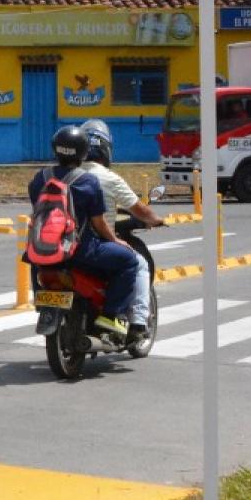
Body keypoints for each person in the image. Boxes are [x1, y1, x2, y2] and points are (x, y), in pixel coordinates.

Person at [29, 126, 145, 336]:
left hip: (45, 247)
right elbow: (99, 223)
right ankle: (111, 316)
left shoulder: (40, 178)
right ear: (83, 152)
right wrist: (116, 241)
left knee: (34, 260)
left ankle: (42, 302)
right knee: (129, 260)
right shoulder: (87, 181)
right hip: (80, 250)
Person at [78, 119, 162, 340]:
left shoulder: (68, 175)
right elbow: (138, 210)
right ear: (106, 149)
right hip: (95, 244)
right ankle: (135, 321)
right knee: (137, 263)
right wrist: (156, 220)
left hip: (65, 243)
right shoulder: (108, 178)